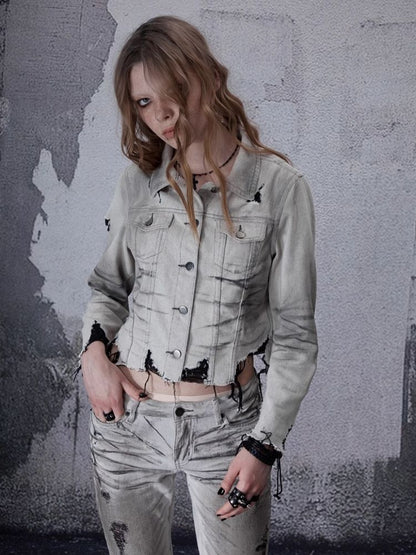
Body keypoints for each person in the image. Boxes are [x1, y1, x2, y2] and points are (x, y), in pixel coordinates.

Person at [80, 15, 318, 555]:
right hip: (127, 423)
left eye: (174, 92)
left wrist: (264, 445)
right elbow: (108, 289)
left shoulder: (281, 189)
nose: (161, 115)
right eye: (144, 102)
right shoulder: (138, 181)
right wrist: (92, 357)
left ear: (207, 77)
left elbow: (295, 337)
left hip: (227, 428)